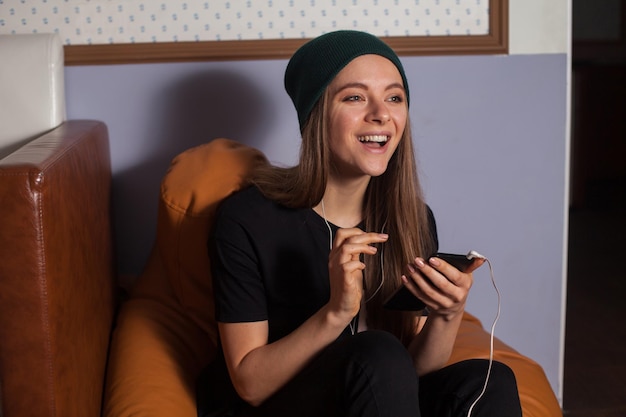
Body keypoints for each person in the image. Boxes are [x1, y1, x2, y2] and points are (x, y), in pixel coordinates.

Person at [197, 30, 522, 417]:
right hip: (276, 406)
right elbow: (249, 386)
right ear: (316, 113)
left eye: (394, 97)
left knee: (490, 380)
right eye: (354, 97)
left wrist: (447, 315)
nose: (381, 114)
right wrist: (336, 312)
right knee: (379, 351)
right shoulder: (248, 218)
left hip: (378, 398)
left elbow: (411, 374)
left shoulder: (412, 218)